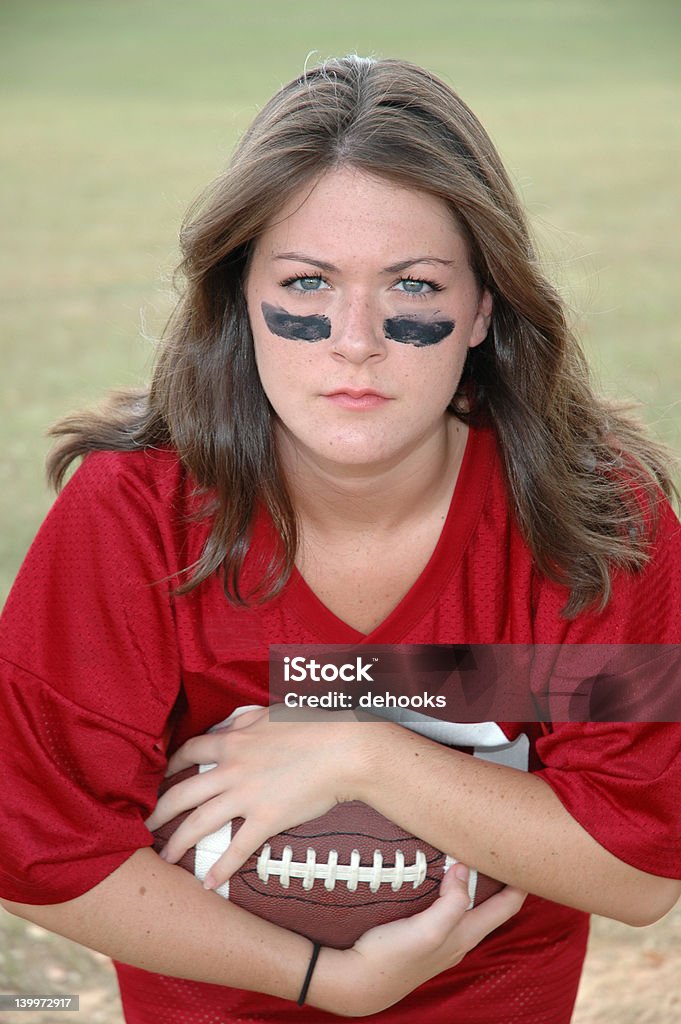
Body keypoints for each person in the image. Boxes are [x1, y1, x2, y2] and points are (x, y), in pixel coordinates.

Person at [1, 54, 680, 1024]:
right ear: (241, 295)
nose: (353, 335)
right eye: (309, 282)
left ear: (483, 307)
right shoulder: (132, 515)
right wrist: (318, 980)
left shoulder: (594, 516)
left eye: (411, 284)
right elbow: (36, 852)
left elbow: (641, 864)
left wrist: (364, 749)